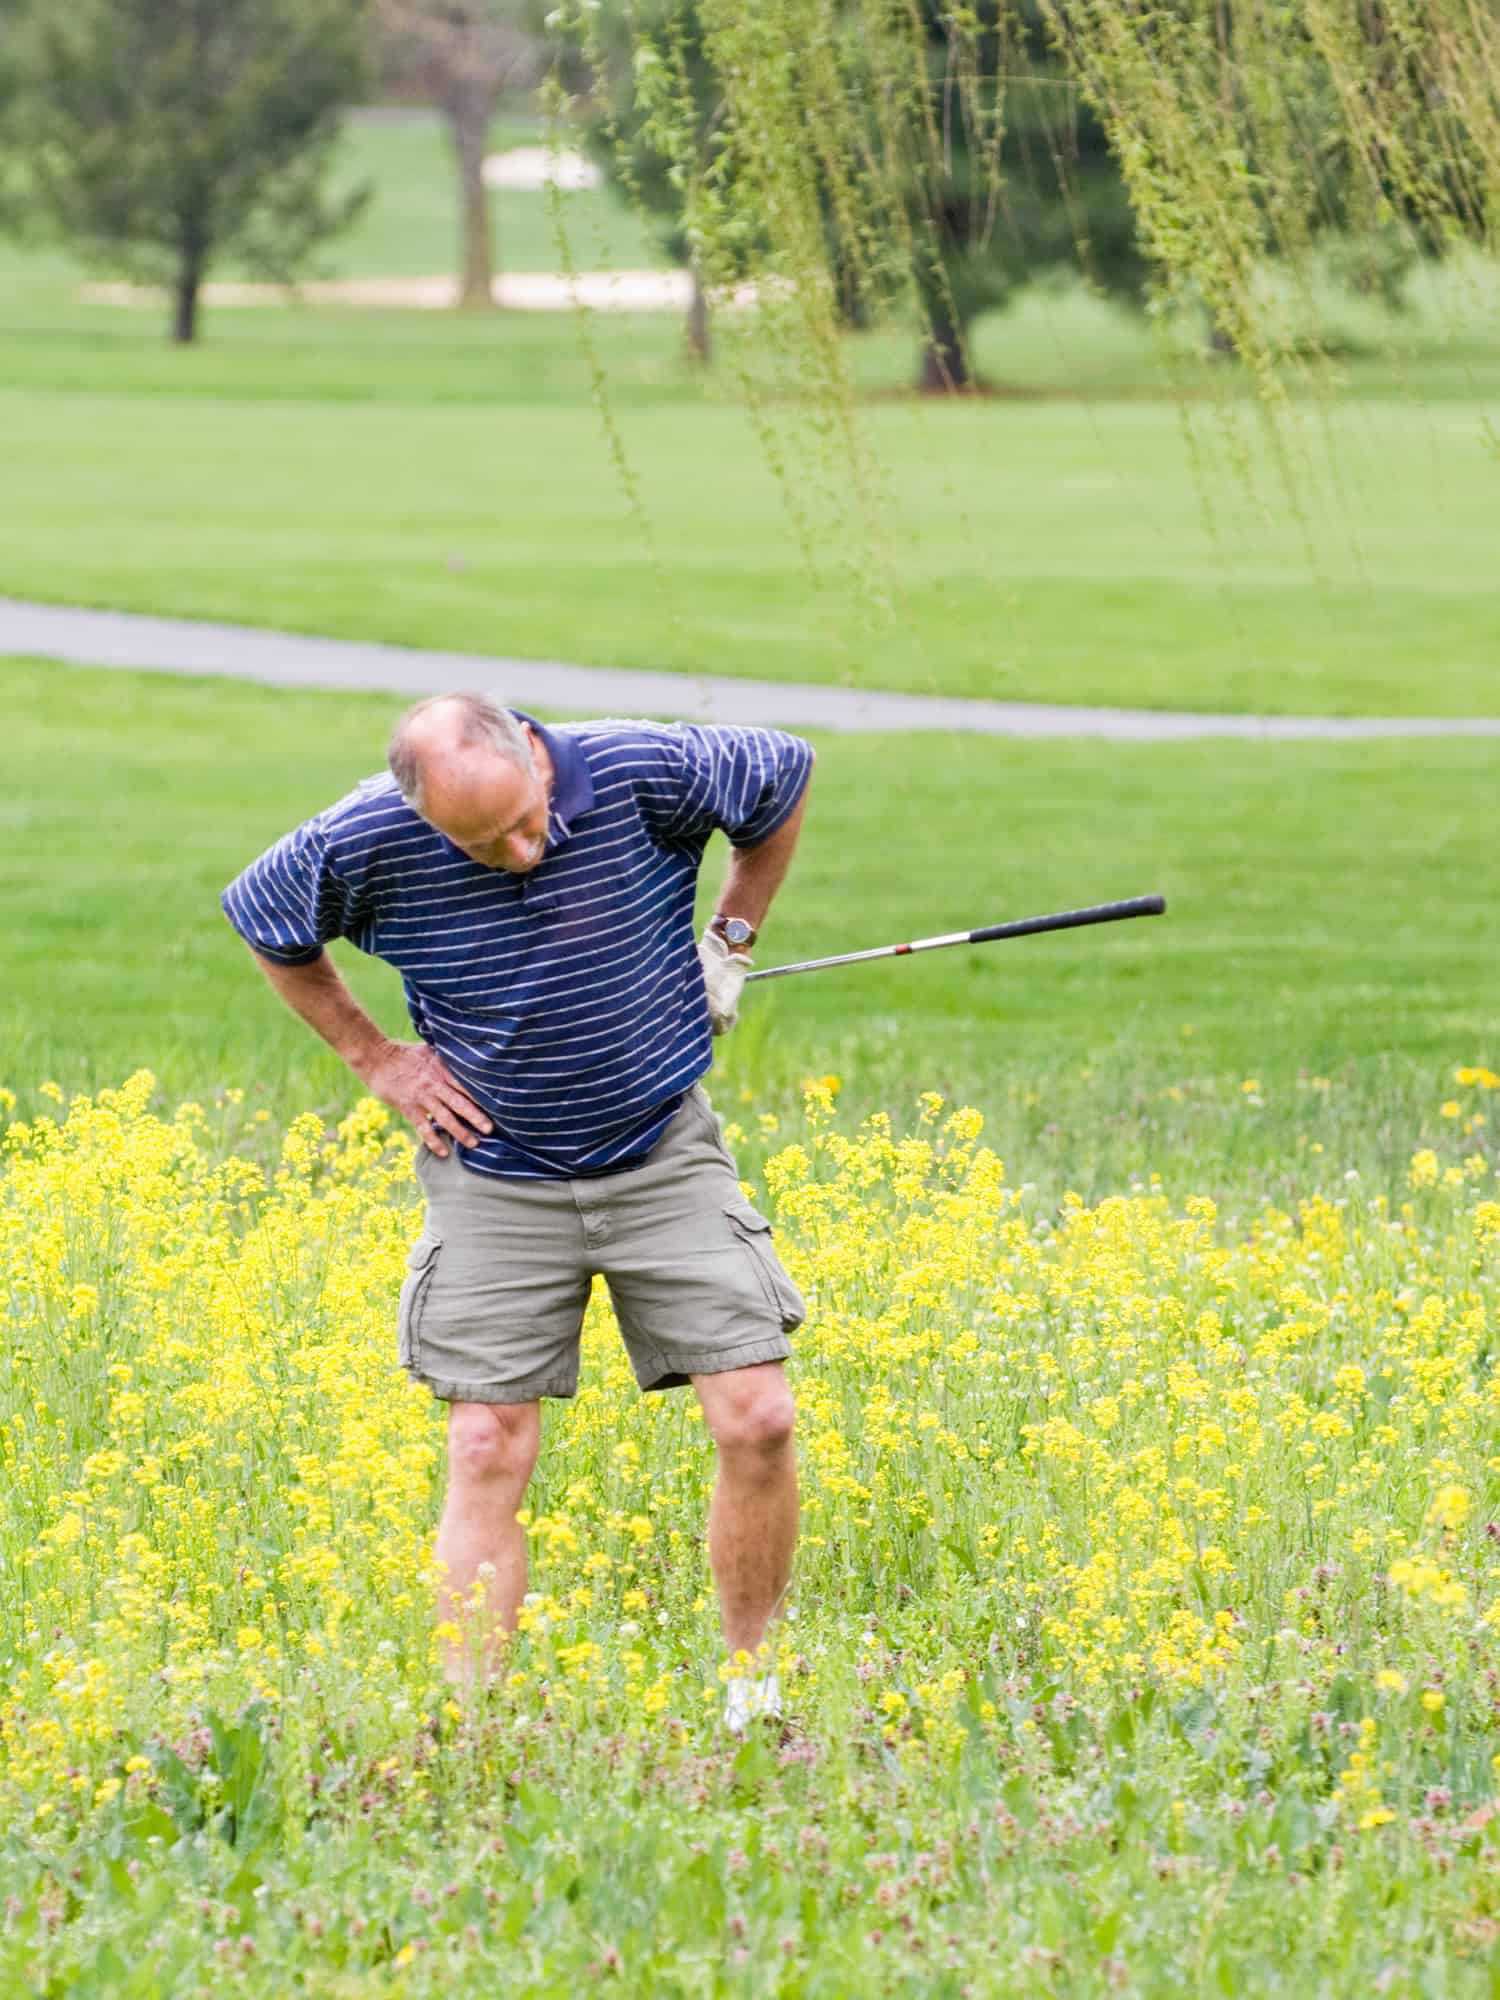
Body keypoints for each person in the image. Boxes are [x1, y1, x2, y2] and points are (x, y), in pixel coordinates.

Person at [221, 693, 814, 1731]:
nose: (522, 851)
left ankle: (752, 1695)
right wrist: (378, 1058)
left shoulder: (640, 765)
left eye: (528, 820)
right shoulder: (363, 837)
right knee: (487, 1442)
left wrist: (731, 934)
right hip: (494, 1168)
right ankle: (473, 1730)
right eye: (482, 843)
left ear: (535, 755)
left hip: (659, 1146)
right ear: (423, 817)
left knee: (758, 1414)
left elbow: (782, 775)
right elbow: (265, 918)